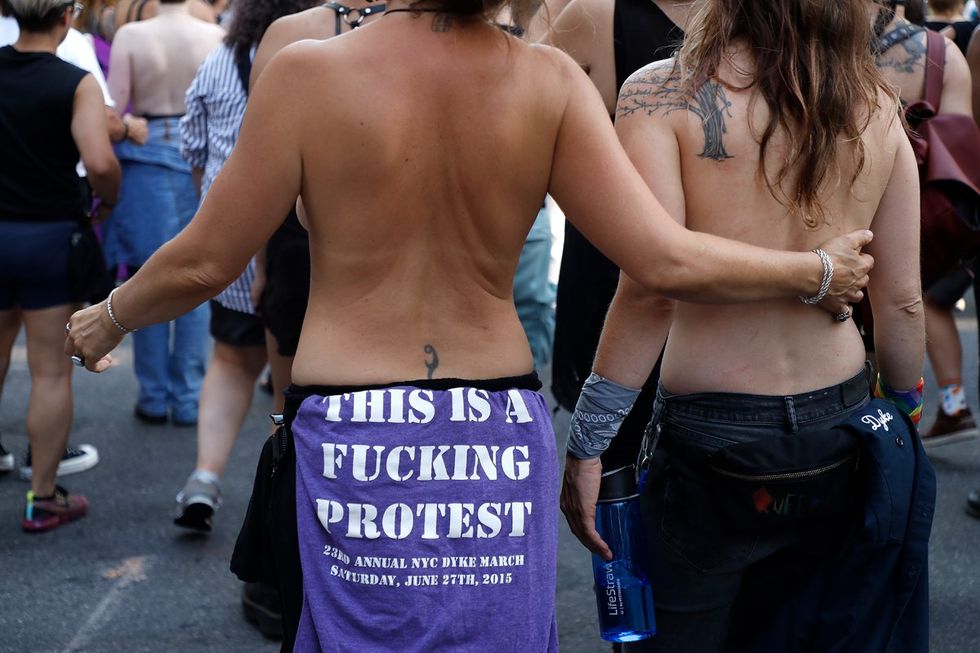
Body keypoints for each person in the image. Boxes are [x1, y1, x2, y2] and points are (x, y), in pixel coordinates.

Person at [65, 0, 872, 648]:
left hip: (353, 427)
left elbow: (209, 259)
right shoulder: (549, 82)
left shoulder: (307, 73)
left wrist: (108, 317)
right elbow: (661, 259)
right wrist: (816, 271)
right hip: (494, 427)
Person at [561, 0, 926, 649]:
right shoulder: (875, 104)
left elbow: (650, 290)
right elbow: (900, 301)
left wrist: (591, 439)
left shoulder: (658, 94)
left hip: (713, 430)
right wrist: (904, 404)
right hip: (839, 425)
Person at [543, 0, 696, 471]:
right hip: (634, 288)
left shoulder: (775, 18)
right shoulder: (592, 16)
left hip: (688, 296)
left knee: (620, 487)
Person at [1, 0, 119, 530]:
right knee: (50, 371)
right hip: (49, 235)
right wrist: (107, 200)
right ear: (66, 17)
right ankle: (42, 497)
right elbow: (98, 163)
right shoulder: (76, 82)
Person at [104, 0, 223, 426]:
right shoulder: (216, 37)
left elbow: (114, 114)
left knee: (147, 276)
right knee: (199, 274)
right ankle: (188, 398)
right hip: (200, 155)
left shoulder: (131, 36)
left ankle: (153, 397)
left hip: (146, 152)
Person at [873, 1, 977, 445]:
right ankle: (918, 417)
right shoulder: (943, 52)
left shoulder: (828, 52)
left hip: (858, 214)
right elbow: (964, 141)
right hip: (931, 214)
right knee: (917, 301)